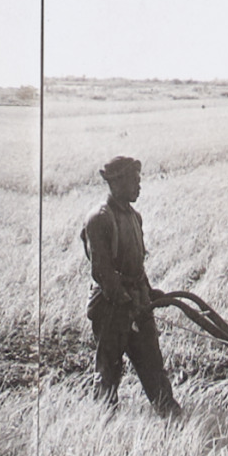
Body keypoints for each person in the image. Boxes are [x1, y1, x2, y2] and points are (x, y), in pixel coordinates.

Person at [82, 156, 181, 416]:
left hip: (136, 302)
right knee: (109, 374)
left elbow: (137, 266)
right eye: (134, 180)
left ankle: (171, 418)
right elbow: (102, 271)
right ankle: (104, 426)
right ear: (117, 182)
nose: (139, 185)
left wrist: (147, 293)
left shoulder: (135, 217)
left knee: (153, 368)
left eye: (139, 180)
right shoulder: (100, 218)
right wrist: (126, 301)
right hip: (111, 308)